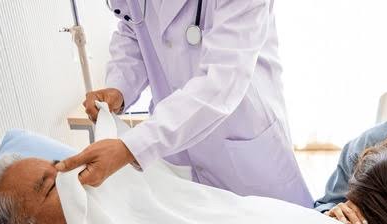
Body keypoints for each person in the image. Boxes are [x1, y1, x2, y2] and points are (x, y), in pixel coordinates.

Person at [55, 0, 313, 208]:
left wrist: (131, 147)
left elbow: (221, 84)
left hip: (242, 136)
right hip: (178, 153)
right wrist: (119, 87)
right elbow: (133, 28)